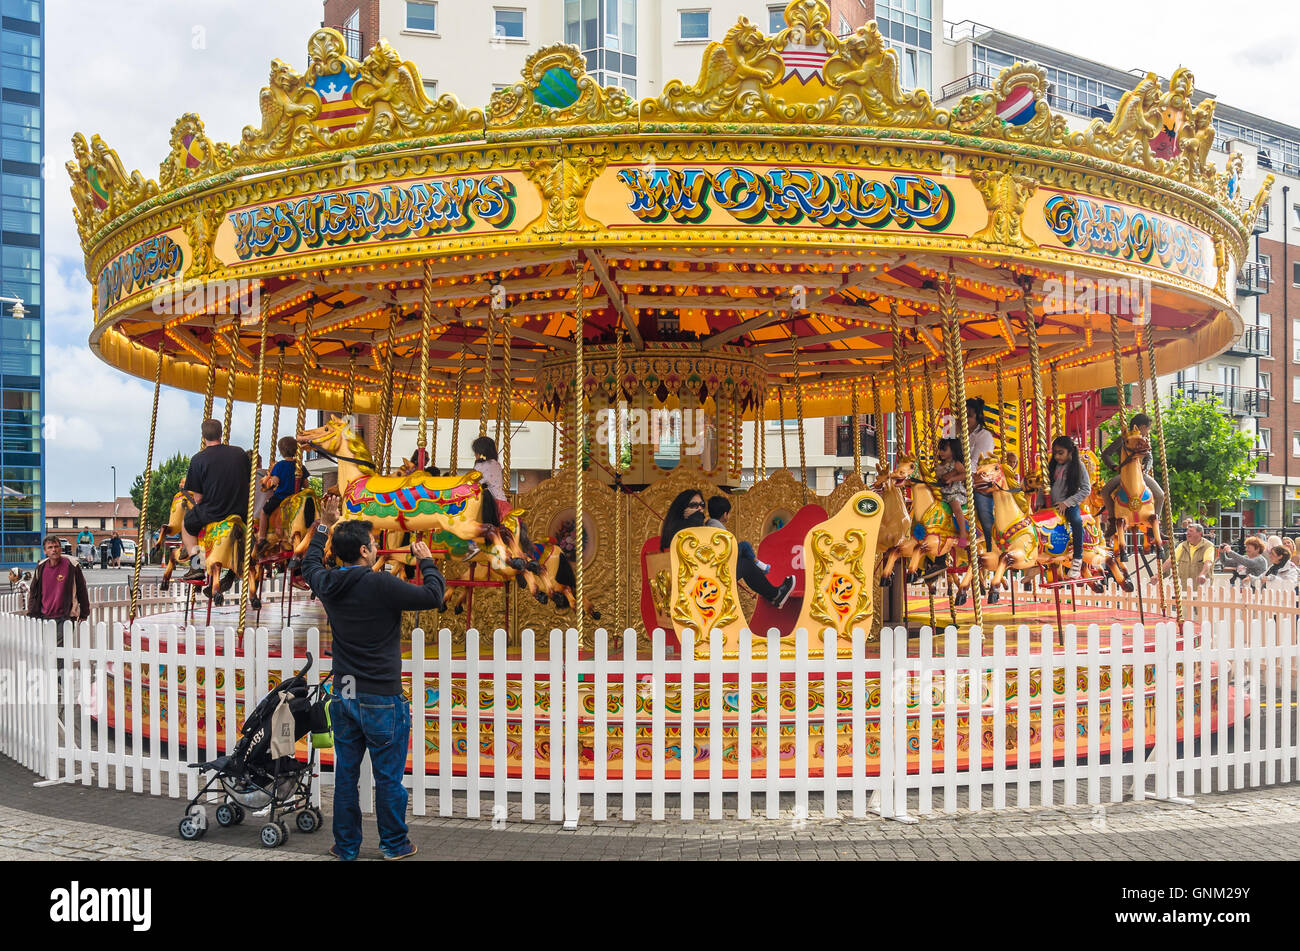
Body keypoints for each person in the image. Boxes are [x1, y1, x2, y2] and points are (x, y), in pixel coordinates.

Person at [302, 495, 446, 861]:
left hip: (344, 696)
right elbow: (433, 595)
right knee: (388, 779)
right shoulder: (381, 584)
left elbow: (308, 564)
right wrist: (426, 561)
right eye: (373, 545)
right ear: (365, 551)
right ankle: (394, 844)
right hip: (381, 695)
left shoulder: (328, 583)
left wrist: (324, 523)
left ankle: (346, 846)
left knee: (347, 777)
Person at [660, 489, 794, 609]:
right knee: (746, 563)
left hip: (702, 575)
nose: (699, 509)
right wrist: (695, 518)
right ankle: (775, 594)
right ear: (682, 509)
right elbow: (694, 544)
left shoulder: (687, 526)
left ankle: (774, 593)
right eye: (694, 505)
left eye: (702, 505)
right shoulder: (681, 530)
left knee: (743, 559)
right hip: (700, 581)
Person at [181, 419, 252, 584]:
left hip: (213, 512)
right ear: (222, 433)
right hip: (240, 511)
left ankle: (196, 566)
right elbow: (248, 484)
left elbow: (198, 498)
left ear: (203, 436)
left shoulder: (198, 459)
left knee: (187, 524)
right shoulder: (239, 453)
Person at [1100, 413, 1165, 537]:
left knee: (1160, 495)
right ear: (1140, 426)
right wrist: (1113, 466)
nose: (1148, 431)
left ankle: (1155, 524)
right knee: (1105, 491)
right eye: (1147, 428)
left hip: (1141, 474)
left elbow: (1149, 457)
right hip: (1125, 475)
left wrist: (1146, 468)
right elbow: (1106, 454)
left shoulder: (1144, 440)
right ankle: (1113, 521)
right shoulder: (1123, 439)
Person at [27, 535, 91, 643]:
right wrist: (32, 612)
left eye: (56, 547)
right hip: (45, 616)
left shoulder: (71, 565)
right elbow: (34, 592)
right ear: (45, 551)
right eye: (50, 547)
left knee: (62, 654)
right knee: (48, 651)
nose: (54, 550)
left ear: (61, 549)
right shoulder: (41, 567)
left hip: (65, 616)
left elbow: (81, 589)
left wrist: (84, 612)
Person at [1045, 435, 1092, 579]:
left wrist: (1067, 503)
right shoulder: (1052, 465)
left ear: (1070, 452)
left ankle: (1077, 559)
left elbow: (1086, 489)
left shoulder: (1078, 466)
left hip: (1069, 504)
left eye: (1061, 453)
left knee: (1076, 521)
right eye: (1055, 453)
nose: (1057, 456)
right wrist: (1040, 501)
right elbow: (1045, 485)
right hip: (1051, 505)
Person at [706, 494, 771, 573]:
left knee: (745, 554)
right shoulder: (718, 528)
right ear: (725, 514)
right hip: (724, 558)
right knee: (745, 545)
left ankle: (758, 565)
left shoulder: (709, 524)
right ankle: (758, 564)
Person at [257, 436, 302, 550]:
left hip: (281, 497)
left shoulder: (280, 465)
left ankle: (262, 538)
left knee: (264, 512)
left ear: (281, 451)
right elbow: (305, 484)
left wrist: (268, 483)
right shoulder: (299, 465)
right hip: (296, 498)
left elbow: (275, 481)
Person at [966, 398, 996, 553]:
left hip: (980, 482)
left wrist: (960, 472)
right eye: (961, 416)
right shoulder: (959, 433)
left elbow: (976, 463)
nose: (965, 419)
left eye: (969, 415)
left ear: (977, 416)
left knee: (984, 513)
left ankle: (992, 547)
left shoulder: (984, 436)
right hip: (960, 480)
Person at [935, 437, 971, 548]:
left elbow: (965, 474)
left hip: (955, 493)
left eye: (944, 449)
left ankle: (963, 534)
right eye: (940, 449)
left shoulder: (956, 464)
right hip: (942, 493)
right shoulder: (939, 466)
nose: (941, 452)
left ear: (953, 451)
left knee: (956, 508)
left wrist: (951, 479)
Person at [1162, 522, 1215, 588]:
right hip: (1184, 588)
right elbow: (1170, 561)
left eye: (1191, 531)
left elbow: (1208, 563)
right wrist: (1158, 574)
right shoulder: (1182, 546)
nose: (1187, 533)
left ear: (1200, 533)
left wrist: (1203, 574)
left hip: (1202, 588)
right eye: (1187, 531)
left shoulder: (1208, 546)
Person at [472, 436, 510, 522]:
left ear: (481, 453)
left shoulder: (481, 466)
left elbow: (474, 484)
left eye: (476, 452)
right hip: (502, 502)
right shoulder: (496, 464)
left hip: (491, 506)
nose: (475, 454)